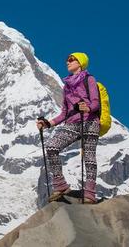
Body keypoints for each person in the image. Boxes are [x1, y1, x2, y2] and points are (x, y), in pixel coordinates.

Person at [36, 52, 100, 204]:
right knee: (52, 147)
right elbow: (65, 112)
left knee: (89, 157)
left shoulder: (89, 79)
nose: (68, 62)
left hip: (90, 122)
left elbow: (96, 102)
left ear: (81, 62)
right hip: (72, 122)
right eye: (67, 60)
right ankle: (61, 186)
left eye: (71, 60)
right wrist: (49, 123)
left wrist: (88, 107)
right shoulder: (67, 86)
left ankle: (90, 193)